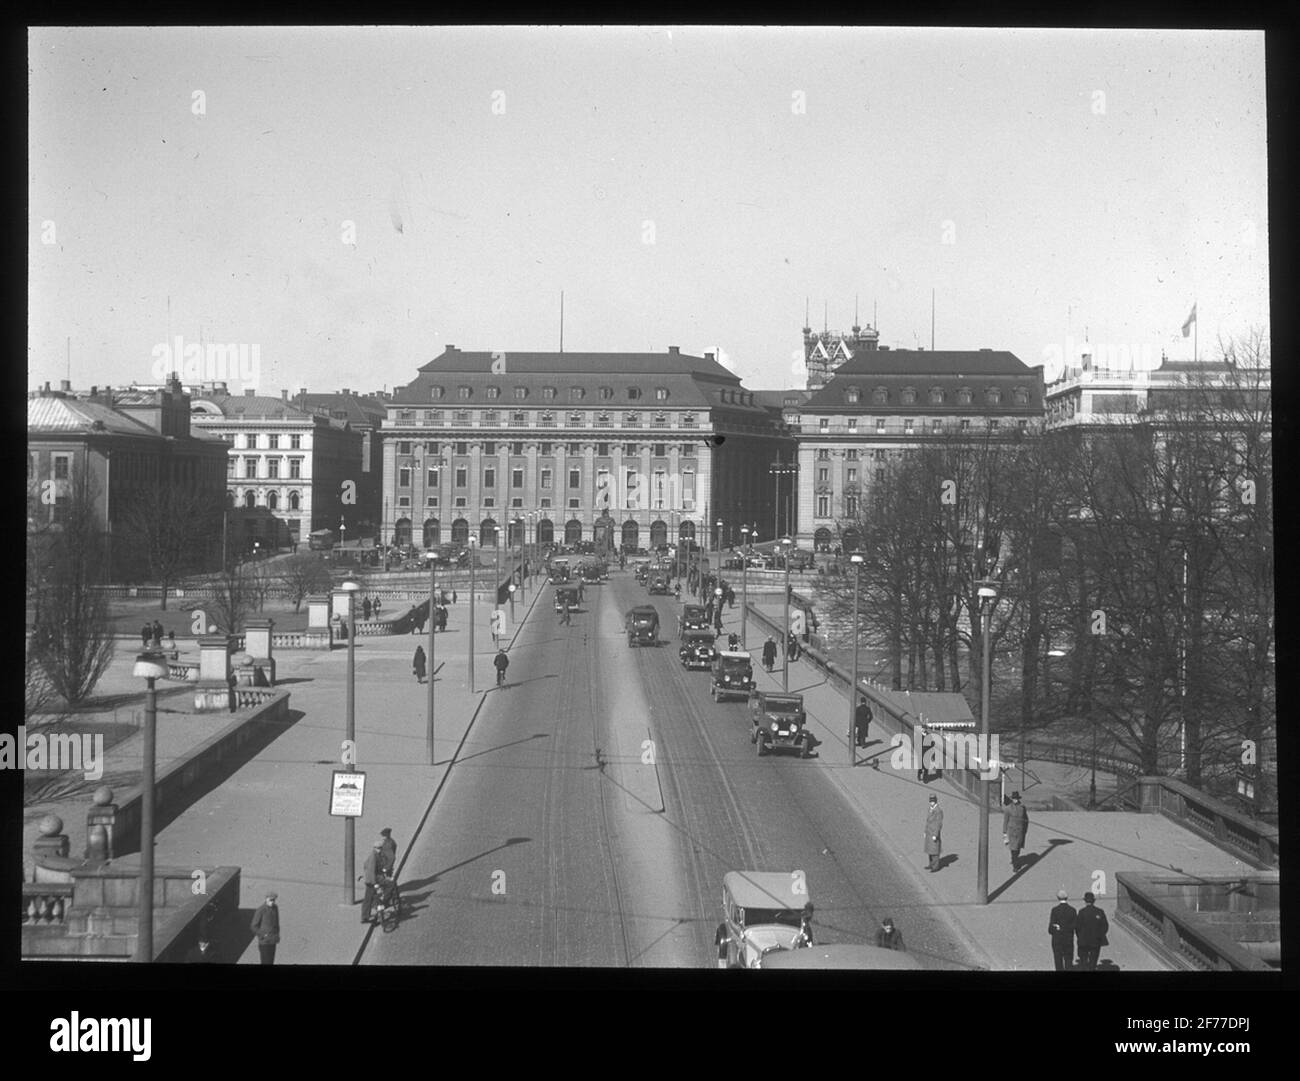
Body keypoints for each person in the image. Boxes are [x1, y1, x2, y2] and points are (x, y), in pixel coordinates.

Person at [1075, 891, 1110, 970]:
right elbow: (1105, 926)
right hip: (1095, 941)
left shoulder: (1081, 912)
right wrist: (1100, 935)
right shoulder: (1100, 911)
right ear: (1093, 901)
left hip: (1083, 940)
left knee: (1083, 961)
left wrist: (1080, 936)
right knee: (1093, 961)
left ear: (1085, 901)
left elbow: (1077, 927)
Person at [1048, 890, 1078, 971]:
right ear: (1067, 898)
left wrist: (1058, 928)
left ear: (1058, 898)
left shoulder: (1055, 910)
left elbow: (1050, 929)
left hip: (1057, 940)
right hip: (1068, 940)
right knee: (1068, 960)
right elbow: (1075, 926)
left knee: (1058, 961)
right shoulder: (1072, 910)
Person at [249, 892, 280, 964]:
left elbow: (276, 923)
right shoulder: (261, 910)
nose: (272, 902)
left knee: (271, 962)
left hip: (273, 941)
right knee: (266, 962)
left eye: (274, 900)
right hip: (264, 942)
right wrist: (263, 935)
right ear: (266, 899)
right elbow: (253, 926)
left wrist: (277, 935)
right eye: (270, 900)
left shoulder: (275, 908)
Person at [1003, 790, 1030, 872]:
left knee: (1017, 848)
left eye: (1016, 798)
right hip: (1011, 831)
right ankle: (1015, 865)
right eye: (1014, 798)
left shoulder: (1022, 807)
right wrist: (1004, 832)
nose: (1015, 800)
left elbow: (1026, 819)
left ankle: (1015, 859)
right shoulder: (1008, 809)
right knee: (1013, 847)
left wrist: (1025, 829)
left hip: (1020, 831)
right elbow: (1005, 821)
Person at [361, 841, 384, 923]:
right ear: (374, 848)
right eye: (378, 848)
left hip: (373, 880)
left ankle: (374, 912)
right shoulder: (373, 857)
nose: (380, 850)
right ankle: (365, 917)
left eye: (381, 848)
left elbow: (365, 865)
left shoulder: (376, 855)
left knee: (373, 897)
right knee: (368, 899)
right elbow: (371, 870)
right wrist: (374, 883)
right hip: (371, 882)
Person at [924, 794, 943, 873]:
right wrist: (925, 831)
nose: (931, 803)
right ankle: (931, 864)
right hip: (929, 832)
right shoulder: (930, 809)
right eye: (931, 801)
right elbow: (927, 822)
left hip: (934, 833)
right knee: (930, 850)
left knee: (934, 851)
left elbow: (939, 824)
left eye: (933, 801)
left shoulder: (938, 811)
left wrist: (935, 835)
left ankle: (935, 866)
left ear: (935, 801)